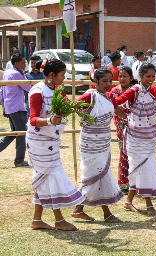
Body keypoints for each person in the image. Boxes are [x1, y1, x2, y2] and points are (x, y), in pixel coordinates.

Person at [27, 58, 85, 231]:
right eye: (62, 75)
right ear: (51, 75)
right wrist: (51, 120)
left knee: (45, 178)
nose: (64, 78)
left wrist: (83, 106)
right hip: (39, 143)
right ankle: (59, 220)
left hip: (51, 141)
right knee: (53, 176)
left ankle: (36, 220)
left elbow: (69, 105)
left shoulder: (57, 89)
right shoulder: (37, 91)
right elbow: (33, 120)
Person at [115, 63, 156, 216]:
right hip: (135, 137)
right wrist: (126, 116)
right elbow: (118, 102)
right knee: (144, 168)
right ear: (140, 76)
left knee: (140, 169)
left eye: (153, 76)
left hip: (151, 136)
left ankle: (128, 201)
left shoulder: (155, 90)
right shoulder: (134, 91)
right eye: (148, 76)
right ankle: (149, 204)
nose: (151, 79)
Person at [69, 68, 126, 223]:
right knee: (94, 175)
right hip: (90, 142)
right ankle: (105, 213)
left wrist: (131, 119)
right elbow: (73, 108)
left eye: (110, 80)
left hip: (104, 141)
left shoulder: (109, 97)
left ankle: (79, 210)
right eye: (104, 81)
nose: (108, 84)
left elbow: (118, 111)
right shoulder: (89, 96)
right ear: (96, 81)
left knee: (102, 174)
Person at [0, 53, 31, 167]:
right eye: (23, 63)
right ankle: (19, 160)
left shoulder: (7, 72)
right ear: (16, 63)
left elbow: (2, 91)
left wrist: (4, 107)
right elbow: (28, 88)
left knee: (14, 133)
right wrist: (23, 75)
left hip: (9, 106)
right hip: (17, 108)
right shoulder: (17, 74)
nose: (25, 65)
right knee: (21, 134)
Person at [111, 66, 135, 194]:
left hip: (135, 123)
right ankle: (123, 182)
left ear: (131, 78)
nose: (122, 79)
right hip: (121, 123)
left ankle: (136, 181)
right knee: (124, 150)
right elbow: (114, 106)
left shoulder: (135, 90)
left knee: (135, 150)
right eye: (120, 76)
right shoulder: (115, 90)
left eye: (125, 76)